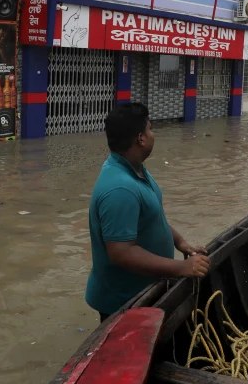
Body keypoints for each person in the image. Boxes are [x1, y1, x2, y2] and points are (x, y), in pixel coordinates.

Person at [86, 103, 209, 323]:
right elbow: (121, 253)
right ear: (141, 138)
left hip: (145, 291)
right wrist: (181, 267)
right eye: (151, 129)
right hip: (124, 303)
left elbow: (152, 217)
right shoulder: (120, 189)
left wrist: (180, 242)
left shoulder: (135, 169)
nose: (154, 135)